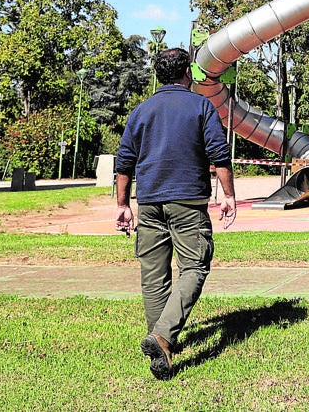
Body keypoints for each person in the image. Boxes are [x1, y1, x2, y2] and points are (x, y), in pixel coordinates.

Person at [114, 47, 236, 380]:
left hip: (149, 201)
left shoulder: (141, 111)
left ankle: (162, 345)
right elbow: (219, 154)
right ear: (186, 72)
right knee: (195, 266)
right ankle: (163, 336)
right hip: (188, 203)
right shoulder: (201, 105)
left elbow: (124, 162)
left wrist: (124, 205)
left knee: (153, 276)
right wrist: (228, 195)